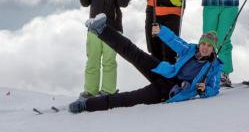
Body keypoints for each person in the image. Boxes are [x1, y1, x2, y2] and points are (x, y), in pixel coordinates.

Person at [68, 14, 221, 113]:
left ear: (213, 49)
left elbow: (214, 89)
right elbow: (175, 40)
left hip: (168, 91)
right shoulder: (190, 50)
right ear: (200, 43)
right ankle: (100, 29)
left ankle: (86, 105)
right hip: (165, 72)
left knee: (129, 98)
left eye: (209, 46)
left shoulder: (214, 67)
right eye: (204, 44)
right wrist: (161, 31)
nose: (205, 48)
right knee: (134, 52)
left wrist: (204, 90)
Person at [79, 0, 130, 98]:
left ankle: (108, 90)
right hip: (94, 29)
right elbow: (84, 2)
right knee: (92, 60)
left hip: (112, 29)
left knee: (109, 61)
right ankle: (90, 91)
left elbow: (123, 3)